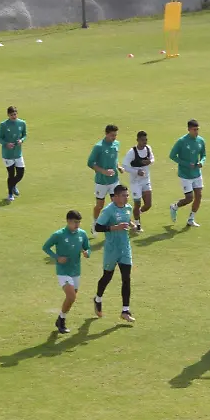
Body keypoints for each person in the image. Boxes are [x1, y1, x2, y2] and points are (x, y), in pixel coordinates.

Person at [42, 210, 90, 334]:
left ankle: (61, 318)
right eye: (75, 222)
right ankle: (62, 322)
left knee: (71, 299)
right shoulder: (59, 234)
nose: (77, 225)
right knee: (71, 296)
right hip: (63, 271)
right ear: (68, 221)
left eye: (79, 222)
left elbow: (87, 247)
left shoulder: (82, 234)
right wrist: (57, 257)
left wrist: (86, 253)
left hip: (76, 270)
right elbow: (46, 247)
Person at [94, 185, 136, 323]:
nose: (126, 197)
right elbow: (98, 227)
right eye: (124, 195)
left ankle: (125, 310)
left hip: (125, 248)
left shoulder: (128, 208)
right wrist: (115, 228)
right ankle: (98, 298)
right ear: (116, 196)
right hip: (112, 249)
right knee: (107, 276)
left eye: (127, 195)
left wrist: (132, 225)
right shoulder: (108, 211)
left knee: (126, 278)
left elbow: (127, 220)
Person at [169, 119, 207, 228]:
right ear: (189, 129)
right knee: (189, 198)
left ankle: (191, 218)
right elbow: (172, 155)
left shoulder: (201, 141)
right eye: (194, 130)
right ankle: (175, 206)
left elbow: (203, 154)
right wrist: (185, 164)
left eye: (197, 129)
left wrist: (202, 162)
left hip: (197, 173)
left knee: (199, 196)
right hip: (185, 174)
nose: (196, 132)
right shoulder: (181, 141)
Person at [87, 124, 121, 230]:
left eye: (115, 135)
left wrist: (118, 166)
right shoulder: (99, 147)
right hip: (101, 181)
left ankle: (115, 225)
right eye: (112, 135)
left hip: (114, 180)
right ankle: (95, 223)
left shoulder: (116, 144)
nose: (114, 138)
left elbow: (114, 158)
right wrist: (104, 172)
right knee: (100, 205)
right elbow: (90, 162)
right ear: (106, 134)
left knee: (117, 203)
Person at [120, 131, 155, 233]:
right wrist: (136, 172)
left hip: (146, 180)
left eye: (146, 140)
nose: (144, 142)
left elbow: (152, 158)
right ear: (138, 140)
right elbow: (125, 166)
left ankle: (137, 213)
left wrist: (150, 162)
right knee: (137, 203)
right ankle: (137, 225)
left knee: (148, 204)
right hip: (135, 182)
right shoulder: (132, 152)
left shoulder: (148, 148)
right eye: (142, 140)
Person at [0, 106, 27, 201]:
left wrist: (21, 140)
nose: (13, 116)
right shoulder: (3, 125)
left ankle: (13, 185)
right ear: (8, 115)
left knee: (20, 173)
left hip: (18, 153)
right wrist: (6, 144)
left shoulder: (22, 123)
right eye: (11, 115)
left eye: (15, 114)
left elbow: (24, 135)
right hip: (7, 154)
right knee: (11, 174)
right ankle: (10, 194)